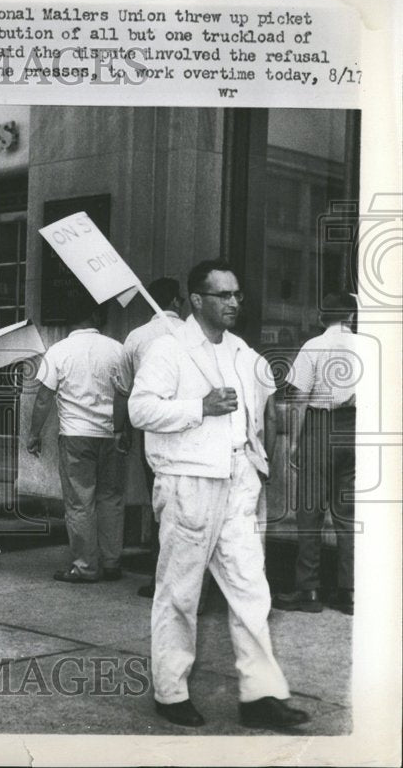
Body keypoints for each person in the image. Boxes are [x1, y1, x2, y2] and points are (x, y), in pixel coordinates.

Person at [129, 258, 309, 730]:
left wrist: (267, 438)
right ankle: (170, 692)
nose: (234, 302)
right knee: (180, 591)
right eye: (223, 295)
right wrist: (199, 407)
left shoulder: (239, 350)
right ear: (196, 300)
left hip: (239, 480)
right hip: (189, 480)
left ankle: (261, 696)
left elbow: (272, 392)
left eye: (237, 295)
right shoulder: (168, 350)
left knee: (252, 589)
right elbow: (140, 409)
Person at [27, 292, 130, 583]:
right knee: (111, 498)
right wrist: (123, 430)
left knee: (79, 501)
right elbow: (124, 394)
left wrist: (34, 434)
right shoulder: (117, 349)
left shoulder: (58, 351)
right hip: (111, 433)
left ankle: (85, 565)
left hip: (75, 435)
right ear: (96, 316)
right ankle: (111, 562)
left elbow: (44, 398)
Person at [273, 291, 360, 616]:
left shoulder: (314, 346)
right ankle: (348, 592)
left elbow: (298, 398)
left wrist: (295, 443)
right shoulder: (367, 347)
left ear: (323, 318)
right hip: (356, 429)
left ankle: (308, 589)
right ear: (350, 317)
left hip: (320, 425)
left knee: (310, 512)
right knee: (347, 514)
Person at [122, 278, 185, 598]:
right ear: (176, 301)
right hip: (189, 426)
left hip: (152, 431)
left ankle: (161, 577)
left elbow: (127, 388)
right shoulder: (191, 333)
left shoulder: (136, 337)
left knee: (159, 502)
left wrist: (124, 430)